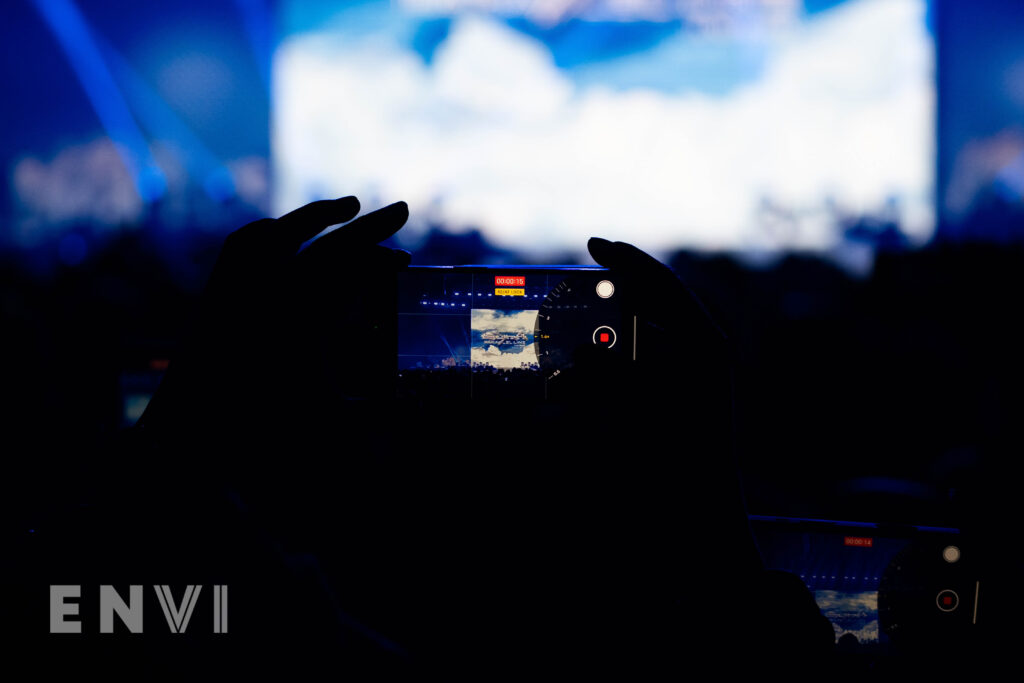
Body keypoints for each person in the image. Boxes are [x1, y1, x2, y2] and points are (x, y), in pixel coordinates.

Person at [11, 196, 833, 677]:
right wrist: (719, 533)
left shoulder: (264, 611)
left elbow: (71, 604)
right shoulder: (271, 610)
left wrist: (189, 419)